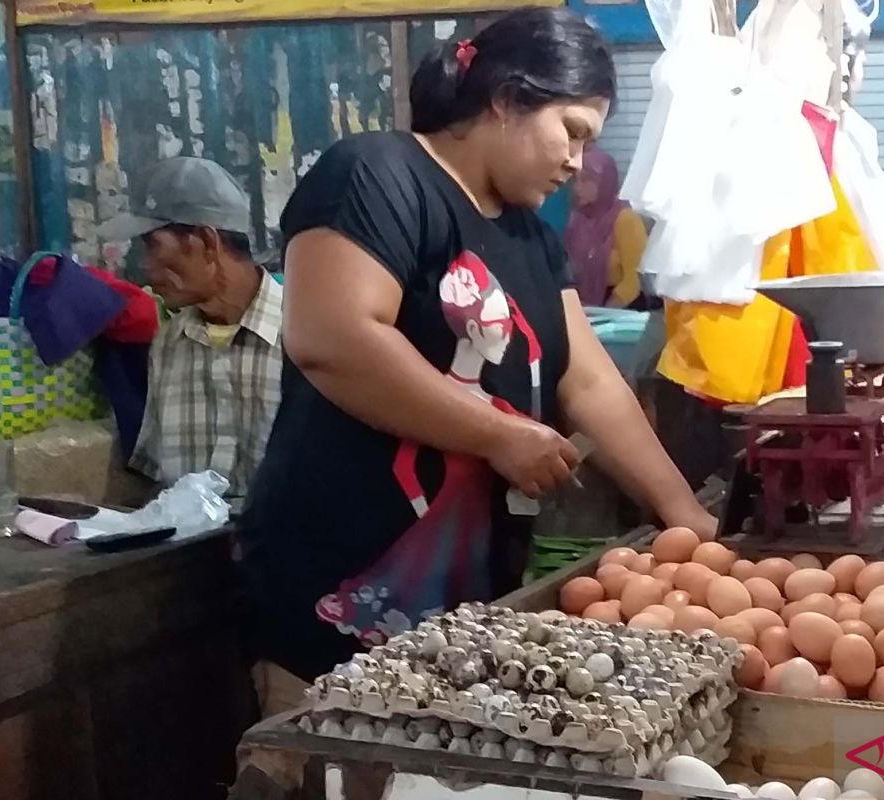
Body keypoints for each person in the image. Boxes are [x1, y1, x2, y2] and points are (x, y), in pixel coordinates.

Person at [238, 6, 717, 712]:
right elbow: (331, 338)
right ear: (505, 99)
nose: (578, 161)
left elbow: (587, 379)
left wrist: (684, 516)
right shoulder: (375, 175)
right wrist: (498, 434)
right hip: (332, 584)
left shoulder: (528, 237)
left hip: (465, 612)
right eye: (572, 131)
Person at [97, 157, 283, 502]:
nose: (145, 266)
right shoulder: (168, 344)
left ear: (208, 243)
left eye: (153, 246)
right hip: (187, 552)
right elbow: (154, 478)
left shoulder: (303, 337)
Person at [565, 146, 650, 308]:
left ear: (605, 182)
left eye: (586, 180)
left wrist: (604, 311)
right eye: (575, 179)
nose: (577, 187)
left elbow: (635, 279)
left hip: (622, 309)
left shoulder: (625, 219)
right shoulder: (578, 220)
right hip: (586, 306)